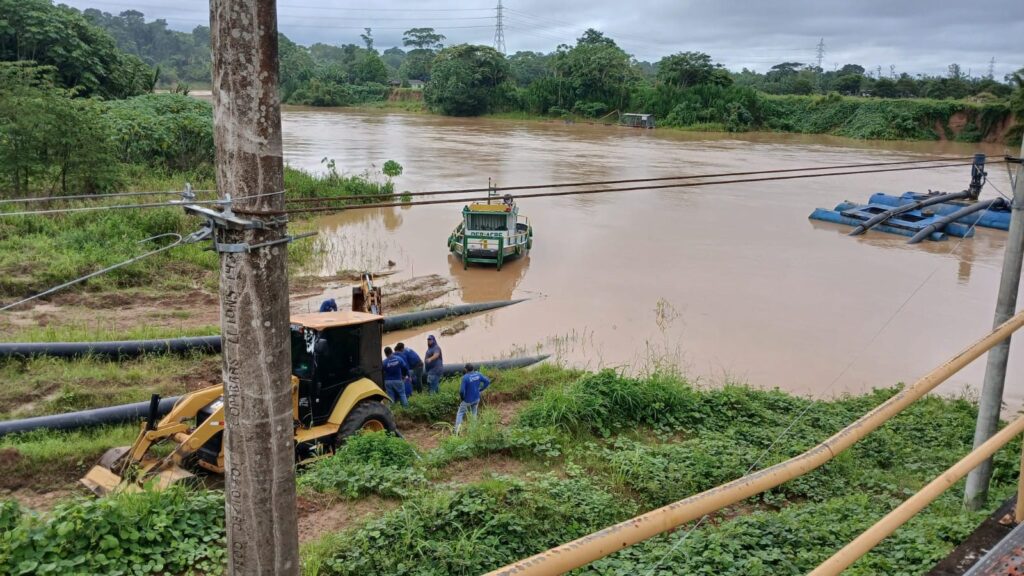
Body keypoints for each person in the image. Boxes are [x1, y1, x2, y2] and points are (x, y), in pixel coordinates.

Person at [455, 363, 491, 434]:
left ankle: (457, 430)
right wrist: (481, 389)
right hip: (476, 398)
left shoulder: (465, 377)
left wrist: (462, 398)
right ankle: (473, 429)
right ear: (473, 368)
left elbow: (462, 391)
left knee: (460, 413)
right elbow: (487, 381)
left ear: (466, 369)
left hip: (467, 400)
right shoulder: (478, 374)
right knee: (474, 412)